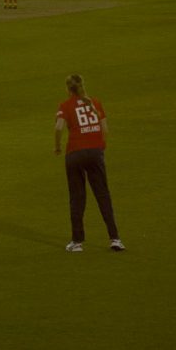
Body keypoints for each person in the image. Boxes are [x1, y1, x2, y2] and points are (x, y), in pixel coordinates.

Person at [56, 73, 122, 252]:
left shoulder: (65, 105)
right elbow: (105, 129)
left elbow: (59, 127)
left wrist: (57, 146)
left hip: (74, 154)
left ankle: (77, 242)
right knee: (103, 195)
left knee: (77, 197)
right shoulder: (95, 103)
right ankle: (115, 239)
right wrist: (100, 146)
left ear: (68, 88)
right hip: (95, 152)